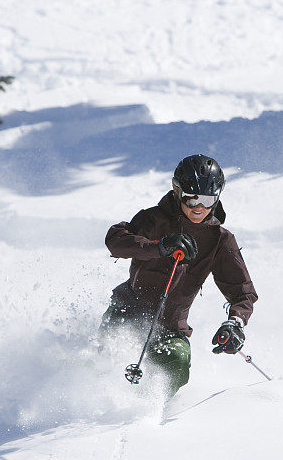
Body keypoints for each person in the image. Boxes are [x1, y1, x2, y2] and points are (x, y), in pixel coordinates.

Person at [101, 154, 258, 395]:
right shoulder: (153, 220)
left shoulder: (220, 240)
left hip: (171, 328)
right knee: (106, 360)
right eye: (192, 198)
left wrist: (235, 323)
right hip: (127, 311)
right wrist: (158, 247)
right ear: (177, 191)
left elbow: (242, 293)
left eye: (208, 199)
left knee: (177, 361)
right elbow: (115, 241)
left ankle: (148, 415)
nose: (200, 208)